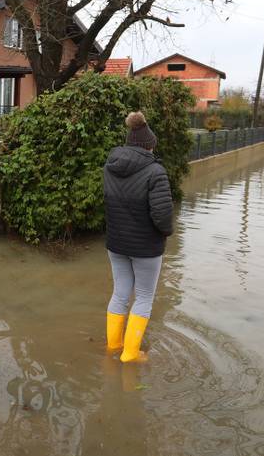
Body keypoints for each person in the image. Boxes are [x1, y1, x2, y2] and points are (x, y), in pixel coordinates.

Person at [103, 111, 174, 363]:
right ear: (149, 146)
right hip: (146, 246)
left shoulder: (110, 166)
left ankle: (114, 346)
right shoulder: (156, 172)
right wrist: (166, 233)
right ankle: (131, 354)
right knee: (144, 297)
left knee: (120, 293)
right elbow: (162, 216)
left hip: (116, 242)